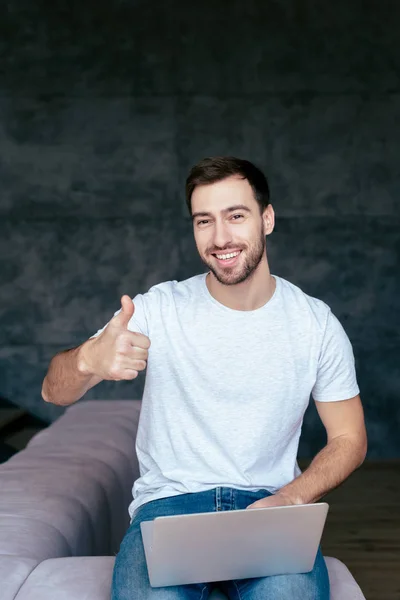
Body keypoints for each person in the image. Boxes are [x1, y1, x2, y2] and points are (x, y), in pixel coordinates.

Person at [42, 156, 367, 600]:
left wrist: (292, 498)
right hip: (167, 511)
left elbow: (349, 438)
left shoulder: (316, 323)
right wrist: (85, 361)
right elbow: (52, 391)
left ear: (267, 219)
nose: (220, 238)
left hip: (269, 509)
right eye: (203, 221)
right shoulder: (157, 309)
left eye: (236, 216)